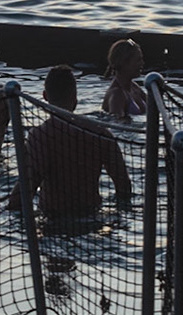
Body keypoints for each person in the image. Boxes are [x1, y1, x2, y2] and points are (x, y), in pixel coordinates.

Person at [22, 65, 133, 221]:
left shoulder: (39, 135)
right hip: (92, 216)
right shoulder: (100, 133)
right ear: (75, 96)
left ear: (45, 96)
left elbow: (26, 189)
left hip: (53, 220)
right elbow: (123, 186)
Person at [102, 38, 147, 120]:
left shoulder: (135, 87)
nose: (142, 63)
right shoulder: (117, 95)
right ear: (123, 63)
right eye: (138, 60)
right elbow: (117, 126)